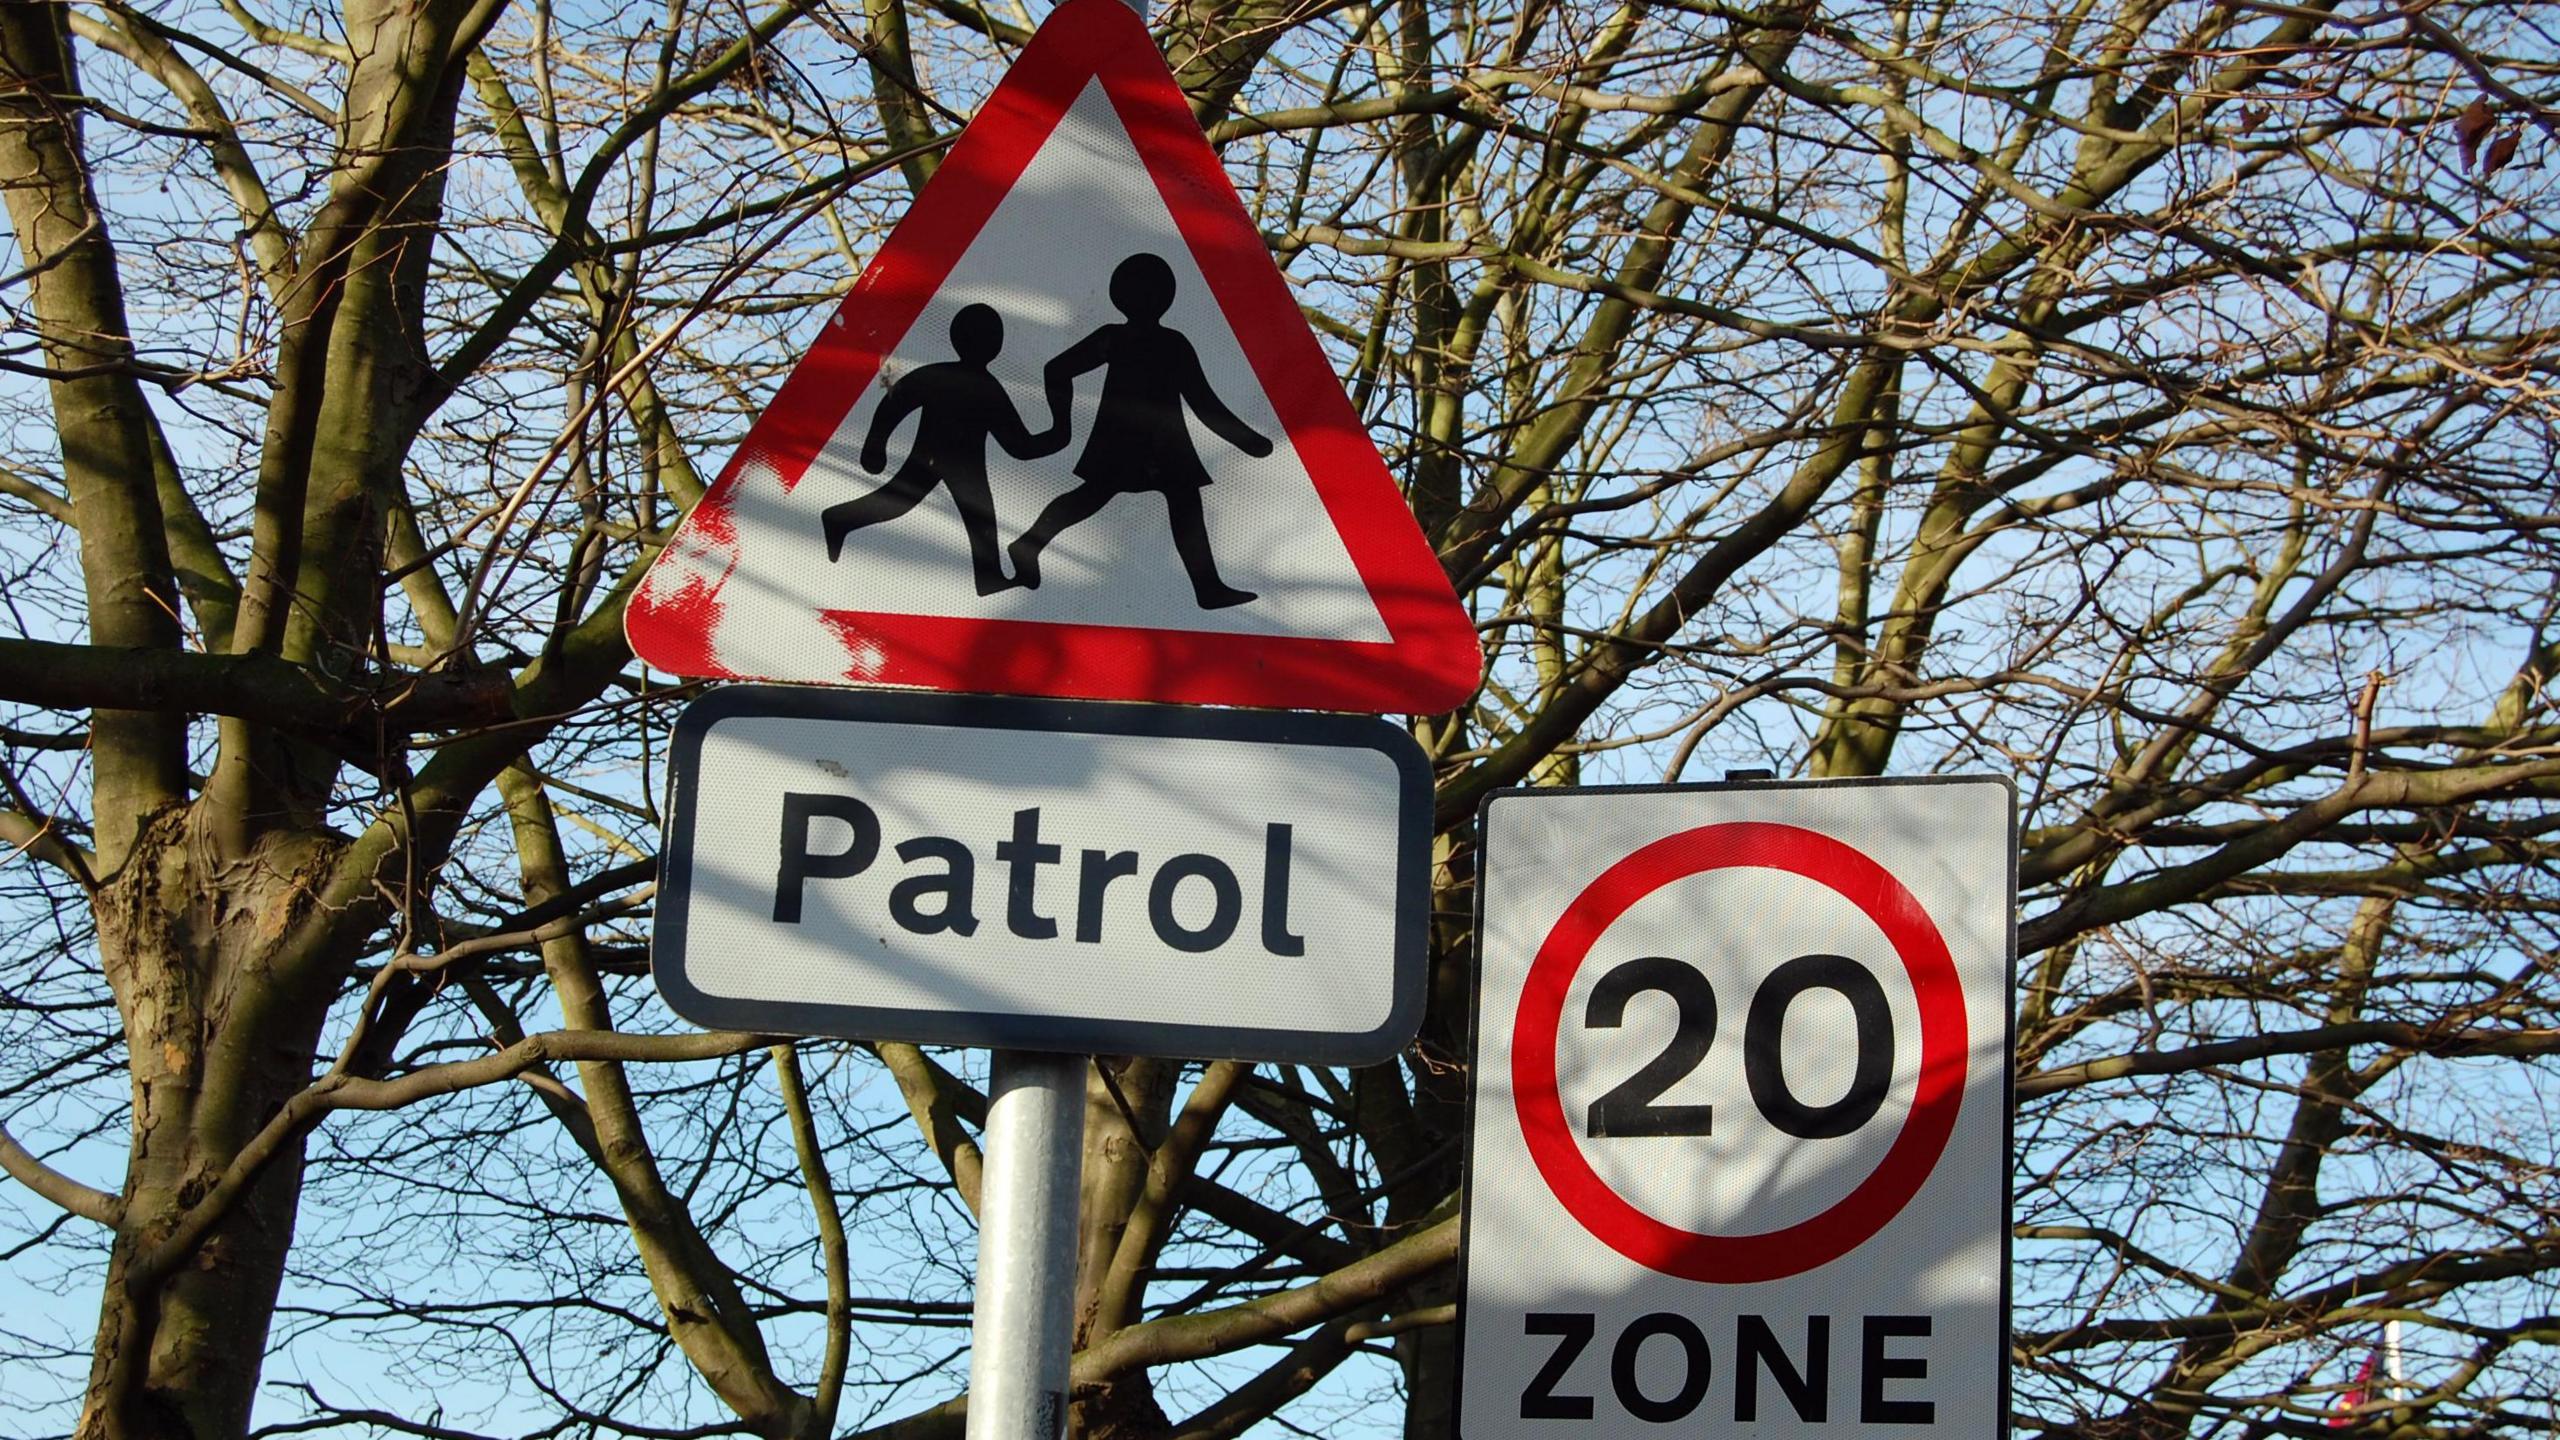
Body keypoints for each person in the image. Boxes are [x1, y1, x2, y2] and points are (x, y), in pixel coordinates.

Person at [1007, 253, 1269, 610]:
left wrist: (1246, 439)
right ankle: (1029, 544)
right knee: (1100, 495)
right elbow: (1058, 369)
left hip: (1160, 442)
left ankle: (1208, 588)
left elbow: (1203, 400)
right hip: (1130, 439)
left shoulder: (1157, 342)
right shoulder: (1131, 340)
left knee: (1175, 501)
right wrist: (1061, 425)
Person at [824, 303, 1062, 595]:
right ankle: (838, 518)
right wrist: (874, 446)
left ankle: (989, 576)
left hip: (959, 464)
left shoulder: (970, 382)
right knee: (914, 505)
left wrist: (1056, 437)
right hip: (938, 459)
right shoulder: (976, 384)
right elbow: (895, 403)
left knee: (971, 516)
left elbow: (1018, 444)